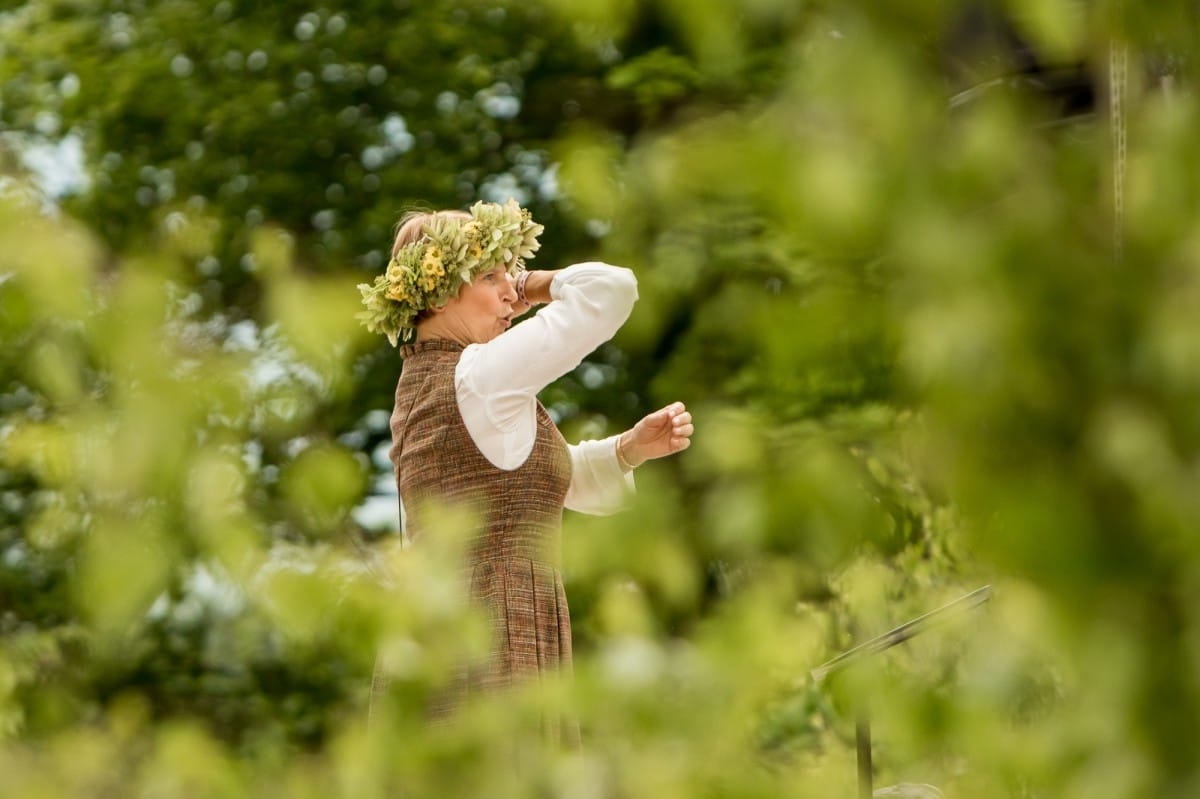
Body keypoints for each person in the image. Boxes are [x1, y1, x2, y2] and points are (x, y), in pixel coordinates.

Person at [358, 198, 693, 726]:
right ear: (441, 291)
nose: (509, 291)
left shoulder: (430, 383)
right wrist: (534, 280)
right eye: (490, 275)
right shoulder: (479, 376)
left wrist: (626, 450)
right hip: (493, 631)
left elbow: (514, 483)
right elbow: (612, 289)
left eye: (510, 277)